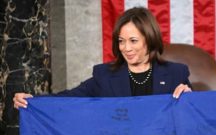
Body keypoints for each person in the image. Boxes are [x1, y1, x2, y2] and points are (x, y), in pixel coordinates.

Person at [13, 7, 191, 109]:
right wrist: (33, 100)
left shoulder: (176, 73)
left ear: (150, 40)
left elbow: (197, 116)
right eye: (121, 41)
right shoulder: (104, 75)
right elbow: (69, 98)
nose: (126, 48)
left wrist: (191, 99)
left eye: (133, 41)